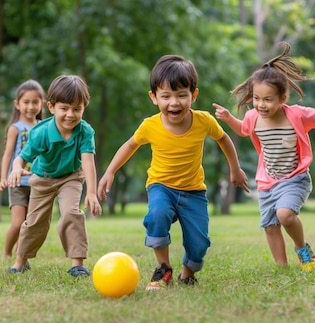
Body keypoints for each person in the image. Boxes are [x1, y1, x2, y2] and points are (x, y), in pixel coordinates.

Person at [98, 55, 249, 290]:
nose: (174, 103)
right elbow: (130, 145)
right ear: (154, 97)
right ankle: (163, 269)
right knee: (157, 214)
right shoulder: (150, 125)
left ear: (194, 95)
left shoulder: (203, 121)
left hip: (194, 191)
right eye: (166, 96)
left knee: (199, 245)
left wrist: (235, 168)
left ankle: (187, 274)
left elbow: (224, 138)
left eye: (181, 95)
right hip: (161, 186)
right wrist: (110, 171)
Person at [213, 42, 315, 271]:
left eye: (268, 99)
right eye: (256, 98)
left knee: (285, 215)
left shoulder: (296, 115)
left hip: (295, 178)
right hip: (267, 181)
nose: (261, 105)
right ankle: (282, 268)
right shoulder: (254, 117)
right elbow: (243, 129)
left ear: (283, 98)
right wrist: (228, 118)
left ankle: (302, 248)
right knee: (270, 226)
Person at [7, 75, 102, 276]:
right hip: (42, 178)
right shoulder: (41, 132)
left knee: (71, 213)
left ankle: (77, 264)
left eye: (77, 109)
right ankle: (20, 261)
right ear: (51, 107)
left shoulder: (85, 132)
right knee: (34, 221)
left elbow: (88, 162)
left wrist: (92, 193)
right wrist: (16, 168)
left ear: (84, 107)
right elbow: (21, 158)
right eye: (64, 108)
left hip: (71, 177)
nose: (70, 114)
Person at [0, 79, 45, 260]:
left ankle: (21, 256)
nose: (31, 106)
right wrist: (4, 178)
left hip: (37, 182)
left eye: (35, 102)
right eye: (26, 102)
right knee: (17, 223)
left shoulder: (44, 127)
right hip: (17, 183)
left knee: (29, 224)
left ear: (42, 103)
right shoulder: (15, 128)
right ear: (17, 104)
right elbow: (8, 155)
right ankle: (7, 252)